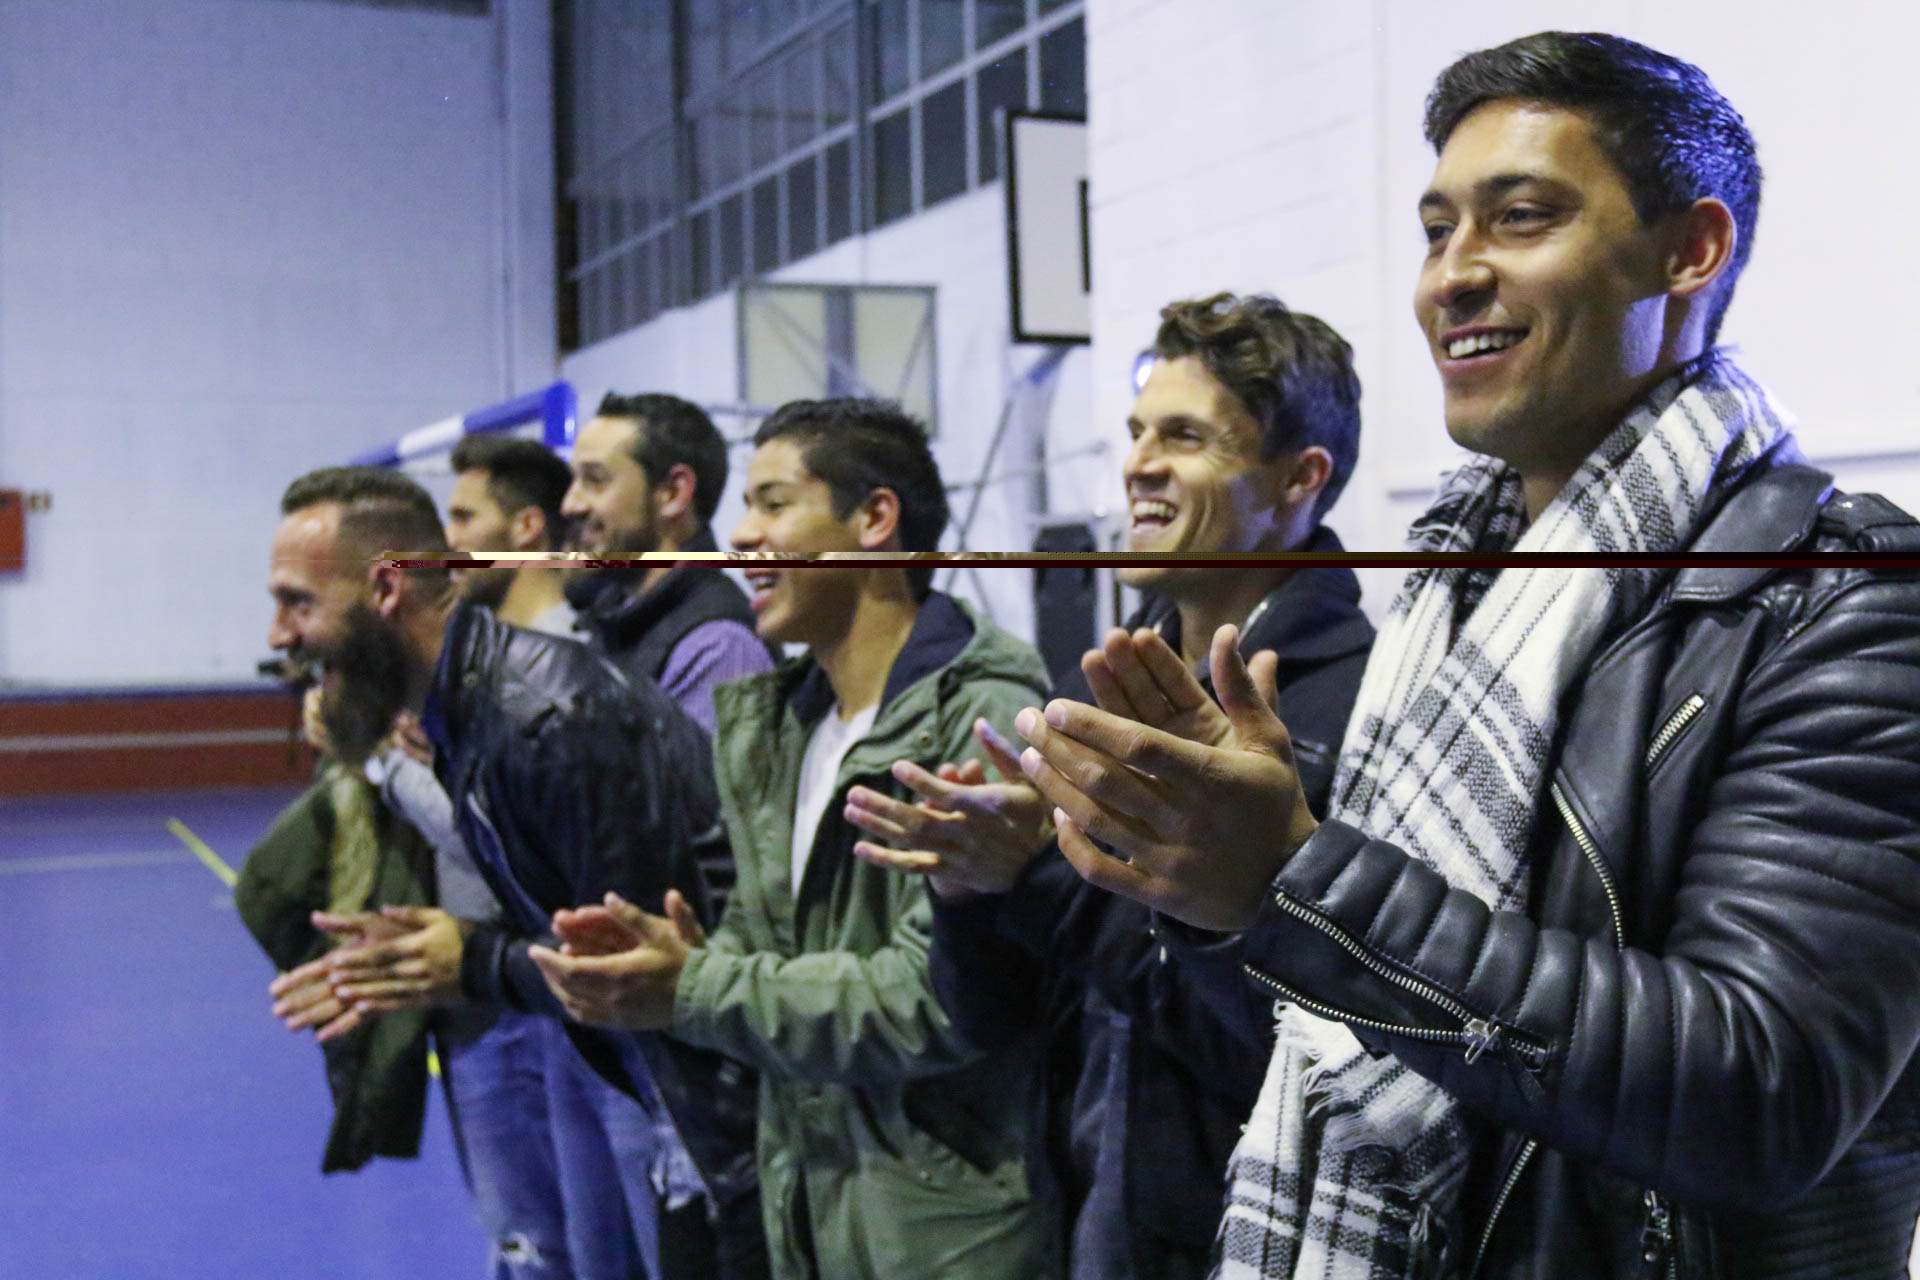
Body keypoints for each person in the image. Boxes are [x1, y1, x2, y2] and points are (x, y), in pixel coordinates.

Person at [1014, 31, 1920, 1280]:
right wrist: (1220, 900)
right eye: (1437, 230)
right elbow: (1332, 1048)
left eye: (1522, 217)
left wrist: (1297, 880)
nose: (1452, 275)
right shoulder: (1455, 592)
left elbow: (1763, 1089)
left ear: (1690, 251)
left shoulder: (1838, 598)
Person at [844, 293, 1374, 1279]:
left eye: (1185, 436)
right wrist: (972, 887)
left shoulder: (1356, 708)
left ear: (1300, 478)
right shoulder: (1107, 692)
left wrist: (1040, 876)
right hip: (1088, 1219)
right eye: (1136, 432)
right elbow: (997, 1016)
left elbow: (1289, 1041)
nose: (1139, 463)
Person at [530, 399, 1060, 1280]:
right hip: (809, 1210)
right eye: (747, 505)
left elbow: (929, 997)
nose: (742, 535)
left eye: (775, 504)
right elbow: (769, 942)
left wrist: (695, 986)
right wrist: (683, 956)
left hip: (944, 1235)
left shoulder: (979, 720)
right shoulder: (778, 725)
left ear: (875, 519)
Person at [263, 466, 765, 1280]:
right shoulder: (471, 714)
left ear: (386, 588)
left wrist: (470, 961)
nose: (279, 635)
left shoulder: (544, 720)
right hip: (682, 1114)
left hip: (720, 1143)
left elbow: (636, 971)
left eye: (298, 603)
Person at [562, 392, 770, 737]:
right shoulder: (614, 620)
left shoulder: (718, 647)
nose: (571, 504)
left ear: (673, 493)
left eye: (595, 480)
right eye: (574, 480)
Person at [444, 433, 577, 636]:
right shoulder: (491, 648)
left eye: (465, 518)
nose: (449, 540)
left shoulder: (572, 651)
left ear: (527, 526)